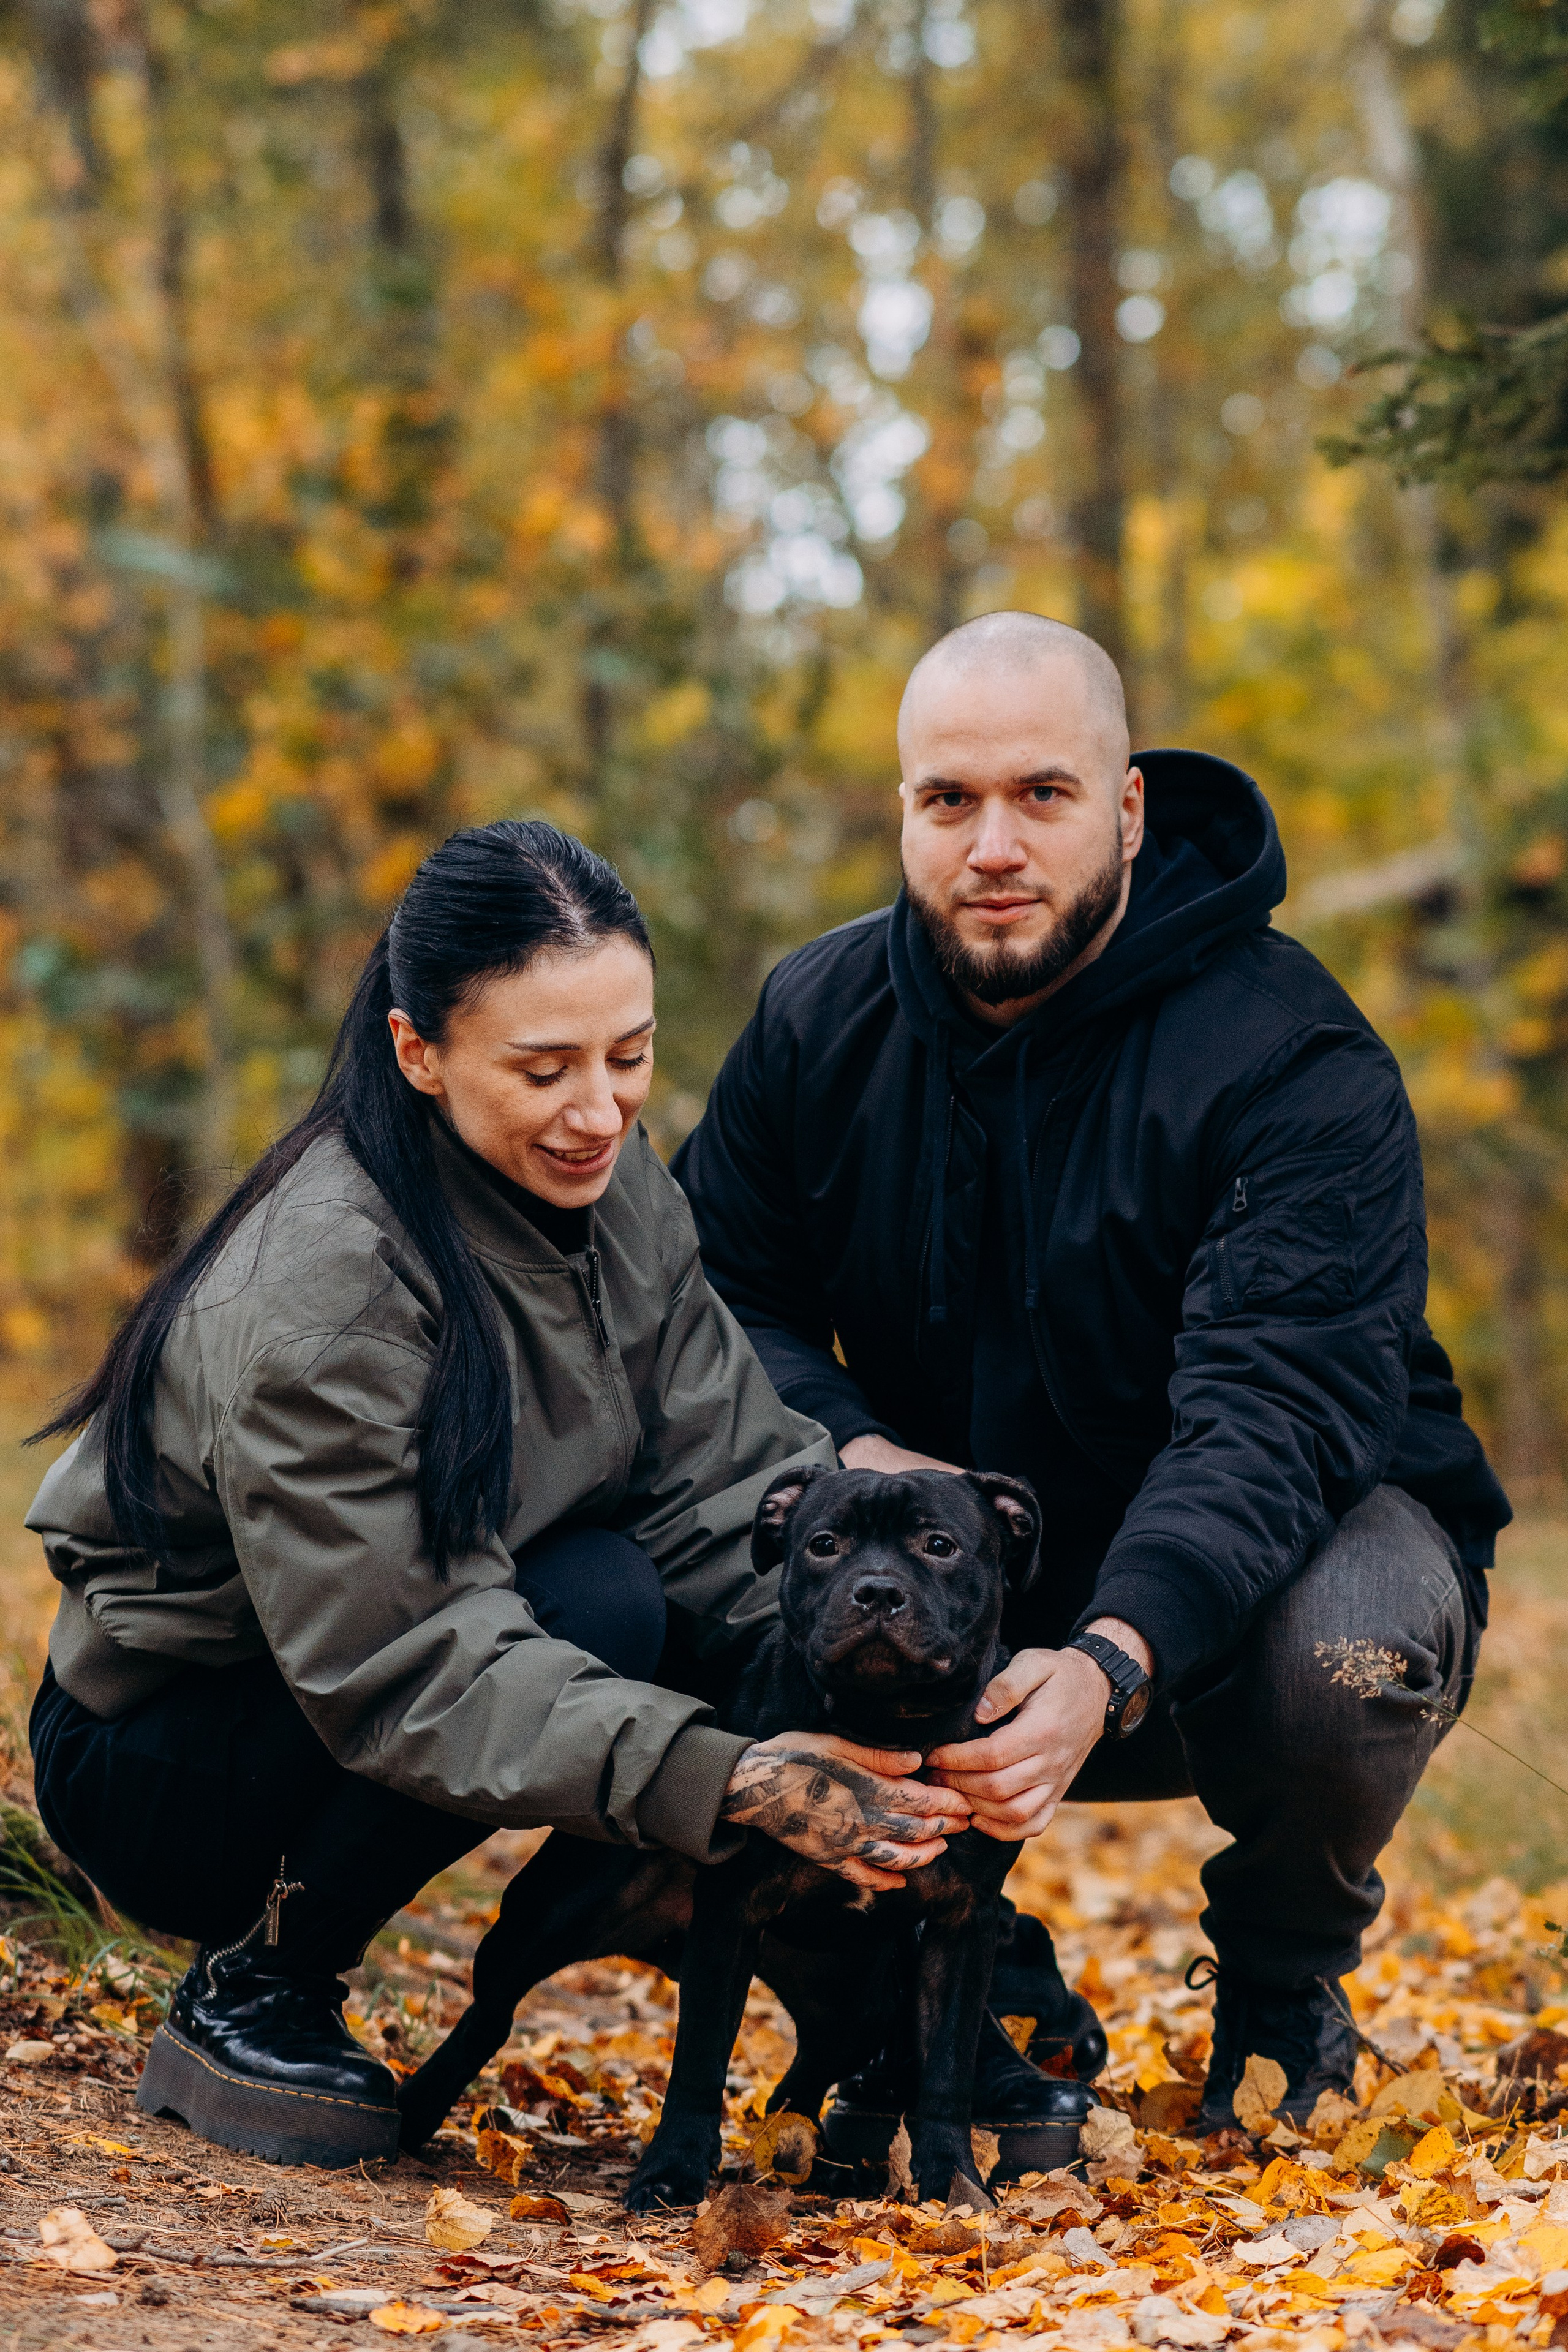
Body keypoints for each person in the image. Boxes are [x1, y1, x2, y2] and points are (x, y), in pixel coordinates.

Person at [673, 611, 1512, 2142]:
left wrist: (1112, 1653)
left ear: (1126, 809)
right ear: (904, 816)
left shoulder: (1291, 1054)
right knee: (681, 1558)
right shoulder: (814, 1020)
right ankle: (957, 1973)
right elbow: (713, 1295)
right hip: (934, 1568)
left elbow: (1273, 1414)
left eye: (1042, 797)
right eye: (949, 801)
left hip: (1242, 1582)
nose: (992, 845)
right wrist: (859, 1461)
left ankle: (1278, 1990)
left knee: (1346, 1649)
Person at [25, 820, 968, 2169]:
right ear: (420, 1053)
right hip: (180, 1752)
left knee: (659, 1593)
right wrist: (729, 1774)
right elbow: (403, 1657)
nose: (600, 1111)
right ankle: (263, 1980)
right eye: (544, 1068)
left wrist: (899, 1720)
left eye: (628, 1057)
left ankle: (870, 1989)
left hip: (404, 1660)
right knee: (598, 1599)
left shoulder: (610, 1189)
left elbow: (725, 1488)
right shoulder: (325, 1284)